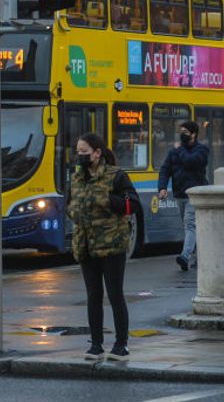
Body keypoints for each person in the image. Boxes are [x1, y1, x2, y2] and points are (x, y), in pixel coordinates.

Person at [68, 132, 139, 362]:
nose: (80, 156)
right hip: (86, 245)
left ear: (97, 153)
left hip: (111, 246)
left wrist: (108, 200)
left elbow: (133, 205)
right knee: (93, 295)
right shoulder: (77, 177)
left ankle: (121, 345)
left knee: (115, 294)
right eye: (77, 152)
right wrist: (72, 211)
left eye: (84, 152)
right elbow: (70, 203)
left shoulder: (116, 176)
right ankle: (96, 345)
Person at [157, 120, 210, 271]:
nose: (181, 135)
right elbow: (165, 169)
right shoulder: (173, 152)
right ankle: (201, 257)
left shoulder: (202, 150)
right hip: (180, 194)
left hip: (195, 195)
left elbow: (190, 162)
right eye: (180, 132)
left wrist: (179, 150)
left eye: (185, 132)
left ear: (193, 134)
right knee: (191, 227)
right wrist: (162, 187)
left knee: (190, 224)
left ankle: (185, 256)